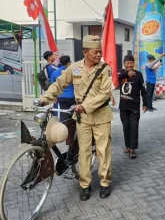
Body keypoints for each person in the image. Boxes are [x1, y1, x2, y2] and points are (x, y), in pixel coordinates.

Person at [40, 35, 113, 201]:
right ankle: (85, 185)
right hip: (82, 118)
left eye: (100, 52)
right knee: (84, 152)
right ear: (85, 52)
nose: (99, 55)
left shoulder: (105, 69)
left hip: (101, 116)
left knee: (103, 151)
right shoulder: (74, 68)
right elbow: (59, 84)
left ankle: (105, 182)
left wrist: (85, 106)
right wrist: (45, 98)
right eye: (96, 52)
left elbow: (104, 94)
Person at [118, 54, 147, 159]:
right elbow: (115, 79)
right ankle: (127, 145)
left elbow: (143, 90)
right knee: (126, 127)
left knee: (134, 127)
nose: (130, 65)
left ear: (134, 63)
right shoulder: (121, 73)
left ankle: (132, 149)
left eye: (131, 63)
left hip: (134, 107)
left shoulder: (138, 75)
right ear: (124, 64)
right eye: (127, 63)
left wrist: (145, 103)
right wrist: (126, 74)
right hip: (123, 107)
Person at [50, 55, 75, 122]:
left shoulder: (55, 73)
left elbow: (52, 86)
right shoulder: (74, 72)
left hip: (60, 98)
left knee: (62, 118)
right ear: (69, 63)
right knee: (74, 116)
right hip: (73, 97)